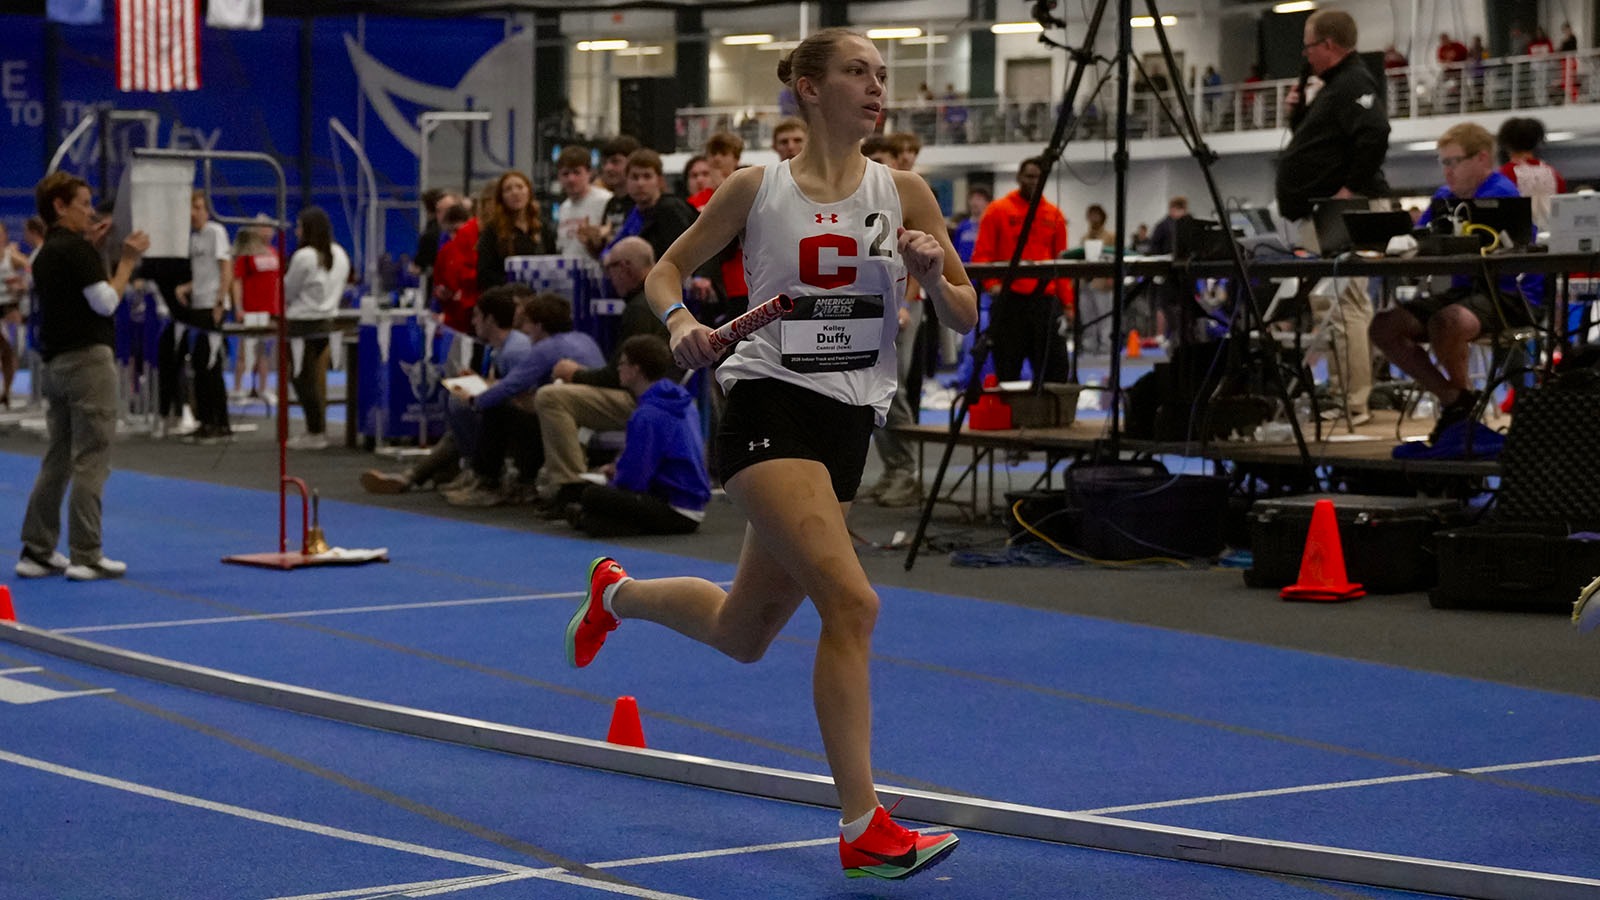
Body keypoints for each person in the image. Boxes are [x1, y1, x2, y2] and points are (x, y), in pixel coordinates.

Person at [562, 27, 976, 880]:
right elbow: (665, 272)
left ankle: (618, 594)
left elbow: (968, 312)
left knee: (742, 630)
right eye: (859, 71)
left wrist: (935, 276)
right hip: (767, 409)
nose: (877, 86)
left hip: (850, 425)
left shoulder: (907, 192)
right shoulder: (759, 187)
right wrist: (680, 323)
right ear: (811, 90)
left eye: (881, 74)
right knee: (853, 606)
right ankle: (864, 826)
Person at [1369, 122, 1541, 442]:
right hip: (1465, 293)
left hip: (1509, 296)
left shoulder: (1502, 195)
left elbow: (1511, 251)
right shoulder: (1443, 198)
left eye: (1454, 162)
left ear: (1481, 159)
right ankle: (1456, 399)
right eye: (1443, 163)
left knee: (1446, 322)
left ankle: (1460, 413)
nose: (1448, 171)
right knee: (1384, 326)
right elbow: (1417, 239)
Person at [17, 171, 149, 581]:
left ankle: (37, 549)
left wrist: (97, 249)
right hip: (87, 363)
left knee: (58, 457)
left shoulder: (47, 253)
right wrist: (126, 260)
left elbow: (77, 287)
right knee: (92, 458)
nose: (91, 213)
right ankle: (86, 554)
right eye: (84, 204)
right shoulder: (77, 251)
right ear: (60, 206)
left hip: (55, 365)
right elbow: (106, 302)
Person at [1275, 9, 1390, 428]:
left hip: (1345, 210)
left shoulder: (1355, 82)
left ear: (1327, 45)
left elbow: (1375, 133)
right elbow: (1320, 143)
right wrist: (1297, 114)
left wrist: (1349, 191)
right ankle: (1345, 394)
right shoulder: (1332, 87)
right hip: (1326, 211)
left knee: (1345, 305)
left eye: (1307, 46)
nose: (1304, 56)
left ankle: (1353, 401)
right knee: (1332, 304)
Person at [532, 236, 670, 512]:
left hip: (641, 400)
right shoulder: (654, 299)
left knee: (551, 397)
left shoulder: (640, 308)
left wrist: (575, 374)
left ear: (627, 267)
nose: (608, 277)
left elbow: (620, 376)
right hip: (654, 396)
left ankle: (571, 485)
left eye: (610, 268)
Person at [566, 334, 710, 537]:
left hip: (674, 507)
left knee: (590, 494)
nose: (618, 368)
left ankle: (594, 519)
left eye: (622, 363)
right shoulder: (683, 402)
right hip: (691, 504)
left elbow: (635, 478)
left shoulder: (648, 413)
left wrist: (614, 477)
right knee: (596, 500)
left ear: (636, 369)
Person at [970, 156, 1071, 383]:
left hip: (1045, 301)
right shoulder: (998, 210)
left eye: (1039, 177)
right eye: (1029, 176)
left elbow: (1060, 261)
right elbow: (982, 255)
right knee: (1007, 367)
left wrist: (1068, 303)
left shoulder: (1054, 215)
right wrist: (993, 286)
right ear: (1018, 178)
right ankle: (1011, 417)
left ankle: (1050, 417)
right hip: (1009, 301)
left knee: (1055, 370)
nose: (1034, 181)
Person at [282, 206, 350, 450]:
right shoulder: (340, 253)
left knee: (302, 378)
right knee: (310, 378)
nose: (297, 231)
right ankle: (316, 427)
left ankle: (316, 430)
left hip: (303, 322)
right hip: (327, 321)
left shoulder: (304, 256)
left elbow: (288, 290)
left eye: (300, 226)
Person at [175, 191, 233, 442]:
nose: (194, 213)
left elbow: (225, 268)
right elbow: (202, 274)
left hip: (213, 306)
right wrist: (185, 288)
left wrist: (220, 300)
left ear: (206, 211)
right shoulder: (193, 239)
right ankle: (205, 420)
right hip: (198, 306)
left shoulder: (215, 232)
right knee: (199, 365)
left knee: (211, 365)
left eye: (198, 208)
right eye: (191, 208)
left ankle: (220, 424)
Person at [229, 220, 281, 402]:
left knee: (264, 351)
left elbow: (278, 283)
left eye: (270, 229)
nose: (268, 232)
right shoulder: (247, 255)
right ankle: (237, 388)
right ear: (257, 230)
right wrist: (239, 307)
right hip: (251, 310)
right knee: (245, 352)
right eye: (264, 228)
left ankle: (263, 388)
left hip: (271, 310)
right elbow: (237, 281)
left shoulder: (275, 253)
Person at [476, 170, 551, 293]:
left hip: (539, 298)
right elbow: (484, 274)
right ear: (502, 197)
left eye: (520, 187)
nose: (515, 193)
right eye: (508, 189)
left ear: (529, 192)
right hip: (506, 298)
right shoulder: (492, 230)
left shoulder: (542, 228)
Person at [1497, 117, 1567, 230]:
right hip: (1552, 233)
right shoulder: (1554, 174)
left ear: (1506, 144)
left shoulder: (1504, 174)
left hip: (1522, 235)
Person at [554, 147, 612, 259]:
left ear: (589, 173)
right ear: (559, 177)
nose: (571, 179)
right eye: (565, 174)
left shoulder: (606, 200)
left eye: (577, 172)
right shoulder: (564, 207)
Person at [0, 221, 29, 407]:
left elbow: (31, 269)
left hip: (10, 308)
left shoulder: (12, 256)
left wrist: (21, 283)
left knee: (10, 353)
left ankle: (7, 391)